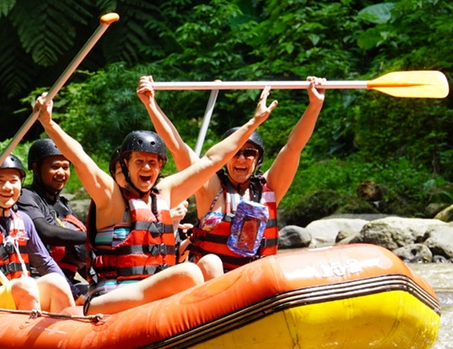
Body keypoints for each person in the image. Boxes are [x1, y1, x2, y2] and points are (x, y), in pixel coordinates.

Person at [33, 85, 278, 315]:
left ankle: (224, 325)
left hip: (155, 298)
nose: (146, 168)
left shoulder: (165, 194)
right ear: (125, 165)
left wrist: (254, 122)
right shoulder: (112, 197)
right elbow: (80, 157)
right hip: (111, 298)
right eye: (139, 161)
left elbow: (212, 160)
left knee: (210, 263)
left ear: (160, 167)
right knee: (188, 274)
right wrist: (49, 123)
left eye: (153, 162)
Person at [138, 75, 326, 271]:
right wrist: (151, 104)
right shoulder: (210, 186)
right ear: (225, 157)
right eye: (235, 153)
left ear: (257, 159)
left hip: (255, 282)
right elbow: (178, 148)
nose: (242, 159)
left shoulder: (270, 187)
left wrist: (314, 105)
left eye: (249, 153)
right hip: (213, 283)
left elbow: (294, 147)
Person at [0, 153, 76, 316]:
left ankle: (66, 335)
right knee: (25, 285)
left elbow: (45, 262)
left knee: (56, 281)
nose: (8, 187)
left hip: (21, 294)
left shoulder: (24, 220)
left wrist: (74, 292)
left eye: (14, 181)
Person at [17, 139, 90, 299]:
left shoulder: (63, 205)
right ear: (36, 167)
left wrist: (99, 282)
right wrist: (93, 236)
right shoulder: (25, 196)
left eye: (65, 167)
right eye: (55, 166)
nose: (62, 172)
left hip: (67, 282)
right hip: (38, 281)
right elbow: (45, 232)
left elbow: (78, 252)